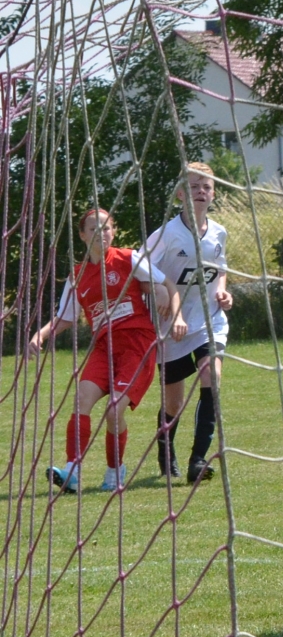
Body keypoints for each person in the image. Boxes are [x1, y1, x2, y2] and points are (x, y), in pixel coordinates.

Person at [31, 208, 183, 493]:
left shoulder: (128, 258)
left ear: (113, 232)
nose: (101, 234)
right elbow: (66, 317)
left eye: (106, 228)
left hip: (137, 345)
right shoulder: (77, 276)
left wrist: (176, 315)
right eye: (93, 229)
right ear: (82, 235)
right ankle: (72, 471)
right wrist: (41, 334)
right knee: (81, 400)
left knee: (114, 410)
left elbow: (167, 284)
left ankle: (115, 471)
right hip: (103, 347)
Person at [144, 163, 232, 486]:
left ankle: (198, 459)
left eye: (206, 187)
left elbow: (220, 268)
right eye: (194, 187)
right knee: (174, 403)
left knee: (212, 376)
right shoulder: (166, 234)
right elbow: (139, 268)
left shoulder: (219, 232)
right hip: (171, 326)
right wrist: (160, 292)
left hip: (208, 320)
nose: (201, 192)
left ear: (213, 193)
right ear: (181, 194)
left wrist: (222, 291)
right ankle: (166, 454)